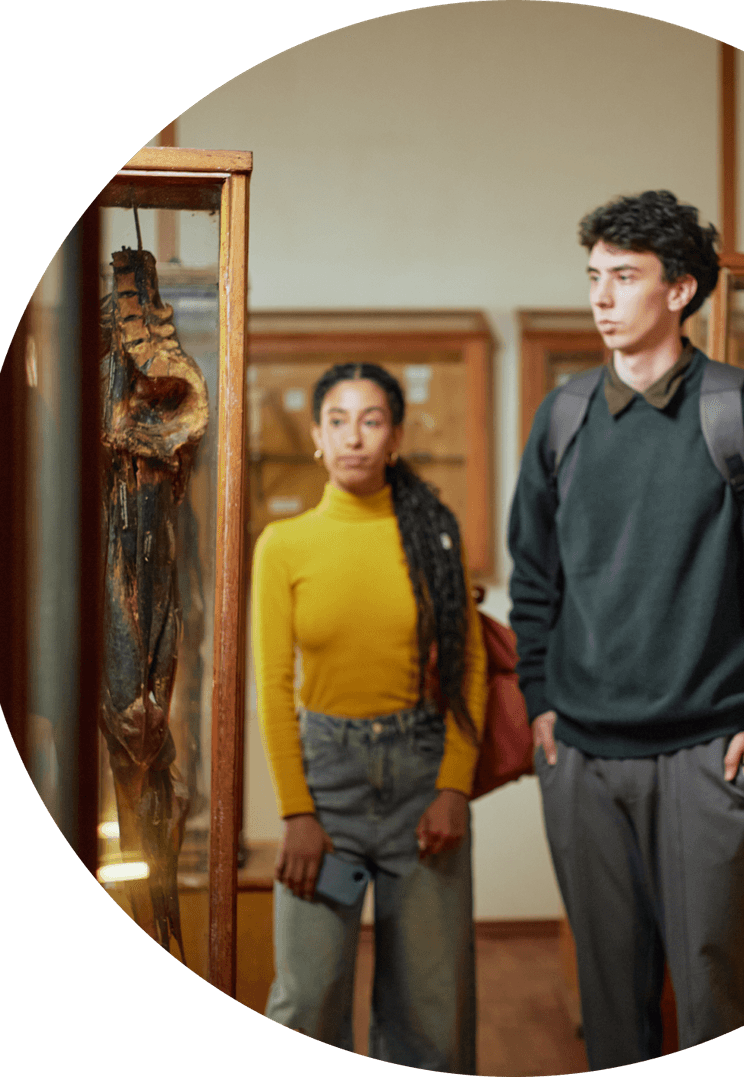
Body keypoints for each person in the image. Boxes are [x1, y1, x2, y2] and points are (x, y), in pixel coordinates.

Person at [507, 190, 744, 1069]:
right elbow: (533, 579)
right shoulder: (563, 418)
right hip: (580, 755)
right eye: (594, 278)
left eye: (625, 277)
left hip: (710, 752)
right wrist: (539, 700)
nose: (601, 298)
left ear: (680, 290)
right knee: (609, 1004)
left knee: (717, 993)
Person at [251, 362, 485, 1072]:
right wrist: (297, 811)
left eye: (372, 419)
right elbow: (271, 683)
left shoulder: (435, 535)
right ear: (317, 438)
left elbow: (468, 669)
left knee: (431, 1011)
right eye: (338, 420)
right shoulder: (283, 546)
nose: (354, 436)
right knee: (306, 1002)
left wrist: (453, 787)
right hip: (328, 792)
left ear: (395, 437)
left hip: (422, 783)